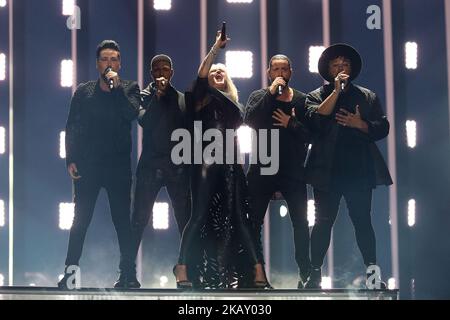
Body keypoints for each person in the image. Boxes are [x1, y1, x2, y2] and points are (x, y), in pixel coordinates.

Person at [173, 30, 271, 289]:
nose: (218, 72)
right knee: (199, 215)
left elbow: (236, 138)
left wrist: (239, 165)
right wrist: (216, 48)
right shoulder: (201, 96)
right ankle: (182, 266)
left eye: (222, 71)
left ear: (228, 79)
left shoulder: (235, 105)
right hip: (205, 160)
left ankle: (257, 269)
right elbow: (202, 73)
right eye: (214, 70)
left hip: (231, 164)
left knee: (241, 218)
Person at [304, 43, 392, 289]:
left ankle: (373, 276)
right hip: (326, 170)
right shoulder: (316, 95)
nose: (341, 68)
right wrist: (335, 92)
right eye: (336, 64)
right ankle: (314, 276)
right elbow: (315, 121)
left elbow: (382, 127)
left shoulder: (367, 96)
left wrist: (360, 124)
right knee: (322, 222)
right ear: (328, 70)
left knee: (363, 221)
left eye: (345, 64)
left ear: (352, 69)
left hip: (358, 170)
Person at [58, 40, 141, 289]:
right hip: (89, 165)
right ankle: (71, 274)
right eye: (105, 59)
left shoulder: (129, 89)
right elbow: (71, 125)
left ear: (120, 63)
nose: (109, 63)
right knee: (80, 221)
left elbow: (132, 114)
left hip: (118, 168)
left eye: (114, 59)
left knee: (122, 222)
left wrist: (116, 90)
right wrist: (70, 158)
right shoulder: (84, 92)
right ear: (97, 64)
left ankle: (128, 274)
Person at [244, 55, 311, 289]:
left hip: (293, 171)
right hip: (262, 168)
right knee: (252, 223)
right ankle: (256, 273)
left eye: (284, 68)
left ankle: (307, 274)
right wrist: (271, 94)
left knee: (301, 223)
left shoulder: (302, 100)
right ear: (268, 72)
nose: (280, 72)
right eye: (276, 69)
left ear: (291, 72)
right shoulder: (259, 96)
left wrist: (290, 123)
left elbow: (312, 135)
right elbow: (249, 120)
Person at [130, 54, 191, 283]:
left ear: (171, 73)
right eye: (157, 70)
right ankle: (127, 270)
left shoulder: (182, 99)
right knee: (138, 219)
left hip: (177, 168)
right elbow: (145, 121)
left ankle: (186, 268)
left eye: (165, 69)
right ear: (151, 73)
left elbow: (185, 128)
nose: (161, 73)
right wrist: (157, 96)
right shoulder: (144, 97)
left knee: (185, 221)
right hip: (150, 167)